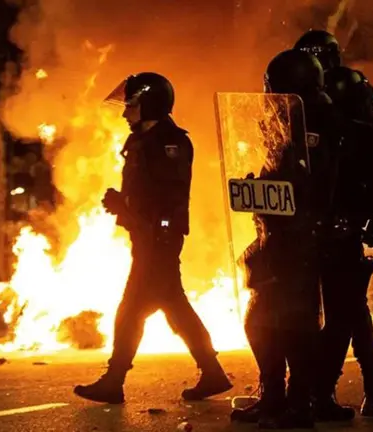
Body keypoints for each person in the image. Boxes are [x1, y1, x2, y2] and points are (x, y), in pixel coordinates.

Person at [74, 72, 231, 404]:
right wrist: (124, 204)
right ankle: (212, 371)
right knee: (174, 306)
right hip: (145, 235)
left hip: (160, 237)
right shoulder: (141, 141)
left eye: (131, 104)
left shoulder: (171, 143)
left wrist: (125, 203)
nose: (124, 112)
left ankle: (114, 380)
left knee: (131, 310)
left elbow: (167, 196)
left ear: (149, 104)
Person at [230, 49, 337, 429]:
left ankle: (299, 403)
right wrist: (256, 189)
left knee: (296, 325)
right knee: (261, 321)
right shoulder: (286, 119)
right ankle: (274, 395)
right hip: (275, 239)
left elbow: (313, 185)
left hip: (300, 242)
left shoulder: (316, 122)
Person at [295, 29, 373, 419]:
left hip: (343, 219)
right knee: (330, 308)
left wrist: (369, 212)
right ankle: (312, 389)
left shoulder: (351, 90)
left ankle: (369, 386)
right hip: (309, 220)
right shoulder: (302, 99)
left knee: (349, 308)